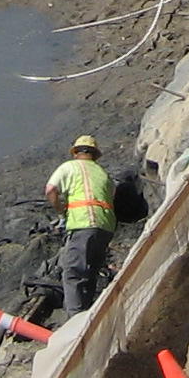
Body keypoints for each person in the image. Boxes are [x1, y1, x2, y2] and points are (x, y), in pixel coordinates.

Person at [45, 134, 115, 316]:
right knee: (91, 272)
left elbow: (50, 190)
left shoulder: (69, 167)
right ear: (95, 155)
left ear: (75, 153)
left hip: (82, 224)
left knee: (73, 273)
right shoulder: (103, 173)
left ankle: (74, 319)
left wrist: (61, 212)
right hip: (105, 227)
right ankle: (87, 316)